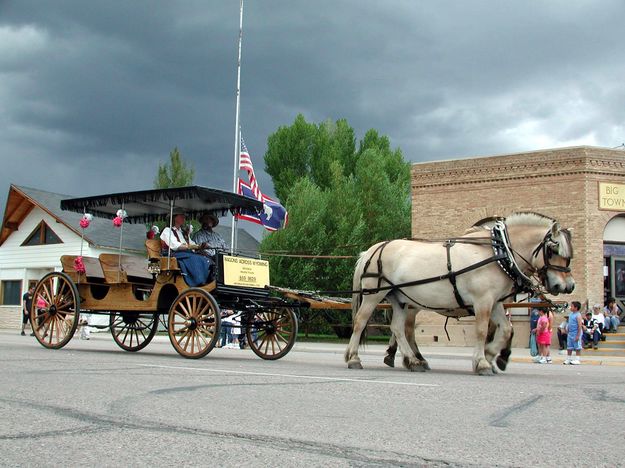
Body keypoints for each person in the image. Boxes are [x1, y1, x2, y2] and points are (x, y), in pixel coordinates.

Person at [160, 211, 211, 287]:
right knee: (195, 258)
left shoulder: (183, 233)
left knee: (206, 257)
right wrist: (190, 247)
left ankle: (207, 279)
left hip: (185, 253)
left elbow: (191, 243)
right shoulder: (167, 230)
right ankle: (197, 281)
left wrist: (200, 246)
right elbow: (175, 245)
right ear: (174, 217)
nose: (184, 217)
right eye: (181, 215)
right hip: (173, 254)